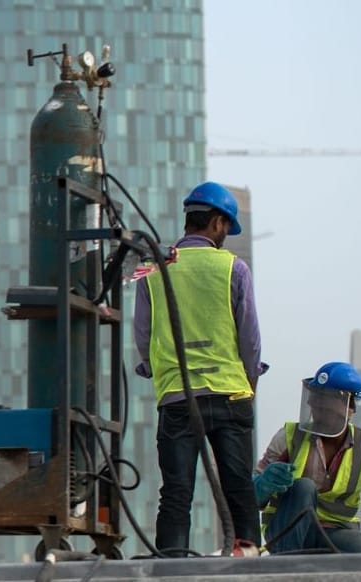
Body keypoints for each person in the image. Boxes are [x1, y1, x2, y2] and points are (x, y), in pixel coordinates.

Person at [134, 181, 265, 554]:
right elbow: (250, 340)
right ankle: (248, 565)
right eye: (227, 228)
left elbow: (142, 335)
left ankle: (171, 571)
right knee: (238, 487)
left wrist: (157, 371)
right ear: (218, 223)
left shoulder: (152, 268)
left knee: (176, 494)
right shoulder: (233, 268)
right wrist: (249, 385)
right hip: (229, 394)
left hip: (176, 398)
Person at [254, 362, 361, 554]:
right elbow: (249, 496)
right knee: (304, 486)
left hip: (337, 532)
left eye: (328, 401)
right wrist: (264, 484)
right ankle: (286, 567)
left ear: (351, 408)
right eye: (317, 397)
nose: (319, 406)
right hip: (287, 530)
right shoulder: (289, 436)